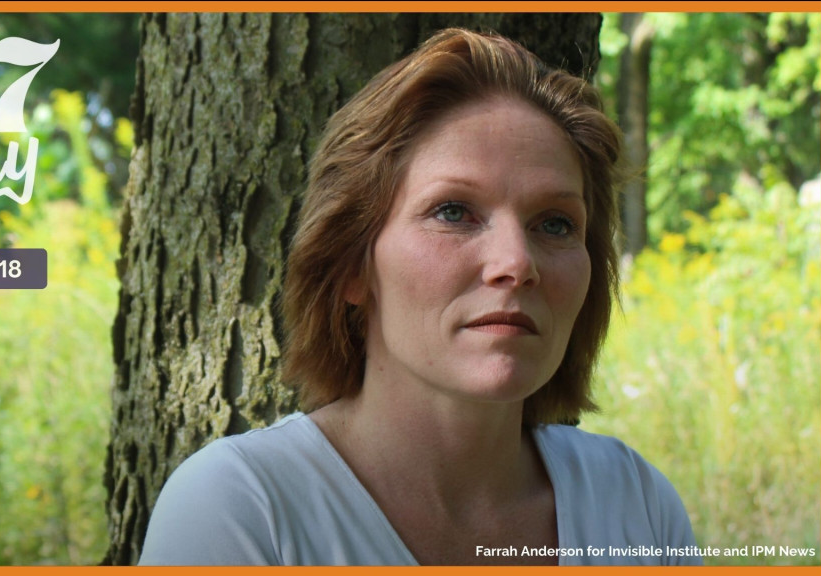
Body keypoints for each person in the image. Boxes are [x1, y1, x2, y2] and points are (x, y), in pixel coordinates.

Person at [139, 28, 701, 566]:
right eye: (453, 212)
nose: (516, 264)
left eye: (555, 224)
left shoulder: (636, 507)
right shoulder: (243, 510)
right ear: (352, 265)